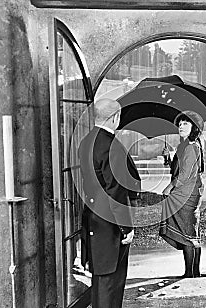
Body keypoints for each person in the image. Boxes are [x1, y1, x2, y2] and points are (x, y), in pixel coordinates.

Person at [78, 98, 141, 308]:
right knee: (112, 283)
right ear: (115, 118)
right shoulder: (111, 146)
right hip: (111, 224)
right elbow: (116, 191)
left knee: (100, 280)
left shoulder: (86, 141)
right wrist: (127, 228)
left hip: (93, 217)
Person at [159, 110, 204, 278]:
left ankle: (191, 274)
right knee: (190, 231)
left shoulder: (192, 147)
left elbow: (184, 174)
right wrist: (168, 159)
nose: (181, 126)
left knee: (188, 233)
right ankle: (193, 272)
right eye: (180, 124)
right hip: (187, 191)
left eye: (186, 123)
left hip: (187, 193)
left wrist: (170, 186)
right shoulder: (185, 145)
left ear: (194, 127)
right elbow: (179, 168)